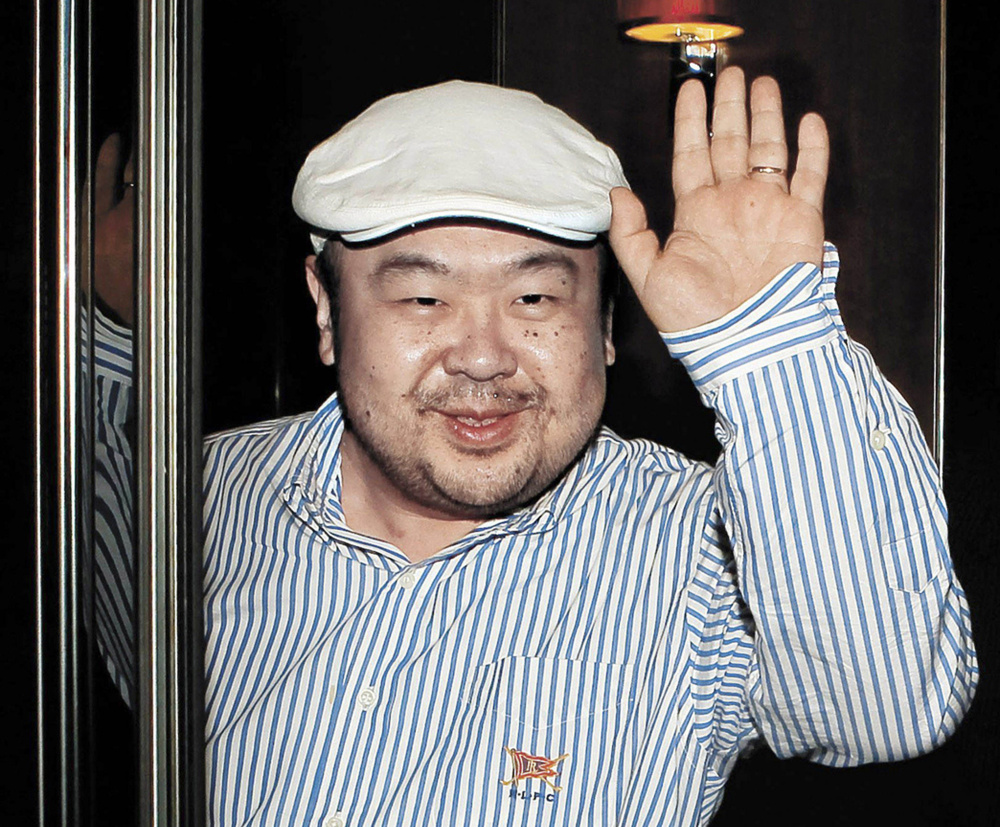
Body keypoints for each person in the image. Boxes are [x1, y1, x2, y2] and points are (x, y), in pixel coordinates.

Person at [95, 68, 976, 825]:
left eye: (535, 301)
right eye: (422, 301)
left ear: (604, 327)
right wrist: (95, 314)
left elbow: (886, 706)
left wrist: (767, 344)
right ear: (326, 312)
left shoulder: (695, 545)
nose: (482, 355)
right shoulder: (198, 495)